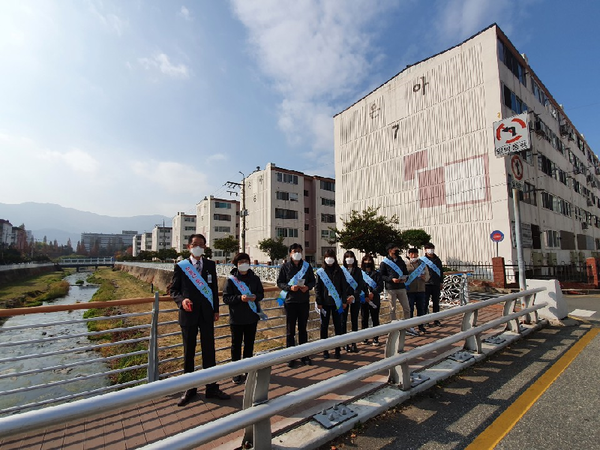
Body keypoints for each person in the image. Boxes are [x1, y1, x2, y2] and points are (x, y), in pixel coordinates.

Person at [169, 234, 230, 406]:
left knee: (209, 351)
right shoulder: (181, 266)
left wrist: (216, 310)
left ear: (205, 248)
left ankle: (212, 387)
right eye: (195, 244)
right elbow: (174, 290)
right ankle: (190, 388)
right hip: (188, 314)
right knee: (189, 352)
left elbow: (213, 289)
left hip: (207, 314)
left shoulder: (210, 265)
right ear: (189, 247)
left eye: (201, 245)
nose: (198, 248)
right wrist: (182, 301)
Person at [223, 252, 265, 385]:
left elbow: (261, 294)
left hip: (252, 317)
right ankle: (235, 372)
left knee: (249, 344)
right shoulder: (231, 280)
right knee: (236, 345)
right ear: (236, 264)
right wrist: (240, 298)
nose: (244, 264)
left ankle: (248, 370)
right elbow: (226, 298)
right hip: (236, 317)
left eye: (246, 261)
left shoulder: (255, 278)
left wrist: (255, 297)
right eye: (241, 262)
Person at [276, 243, 316, 368]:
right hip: (290, 301)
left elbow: (313, 281)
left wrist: (308, 287)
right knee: (290, 330)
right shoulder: (285, 267)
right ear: (290, 253)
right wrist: (289, 287)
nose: (297, 253)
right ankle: (290, 356)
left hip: (303, 301)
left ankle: (305, 355)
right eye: (294, 251)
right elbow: (279, 282)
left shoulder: (307, 266)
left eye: (299, 251)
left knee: (303, 329)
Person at [315, 249, 352, 359]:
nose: (329, 259)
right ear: (324, 258)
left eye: (331, 256)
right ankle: (325, 350)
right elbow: (317, 288)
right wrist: (319, 301)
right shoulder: (320, 272)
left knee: (338, 326)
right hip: (325, 303)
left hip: (337, 303)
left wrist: (344, 301)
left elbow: (343, 287)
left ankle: (337, 349)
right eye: (327, 256)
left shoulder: (339, 271)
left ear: (334, 258)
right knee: (324, 326)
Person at [340, 250, 365, 353]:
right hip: (344, 299)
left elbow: (360, 285)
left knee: (354, 320)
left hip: (355, 298)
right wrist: (345, 297)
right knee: (343, 321)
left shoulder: (358, 270)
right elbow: (340, 285)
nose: (349, 258)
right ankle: (344, 343)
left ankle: (354, 343)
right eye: (347, 256)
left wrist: (353, 296)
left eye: (351, 256)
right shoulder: (341, 270)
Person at [380, 243, 410, 324]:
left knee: (406, 308)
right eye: (395, 248)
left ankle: (408, 325)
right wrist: (391, 279)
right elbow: (382, 275)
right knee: (392, 309)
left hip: (401, 287)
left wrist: (405, 278)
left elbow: (406, 272)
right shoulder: (384, 262)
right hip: (391, 288)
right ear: (390, 250)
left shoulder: (401, 261)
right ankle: (393, 326)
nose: (397, 250)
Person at [405, 248, 430, 335]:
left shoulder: (422, 264)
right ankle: (410, 326)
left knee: (421, 309)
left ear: (417, 255)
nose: (413, 255)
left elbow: (427, 276)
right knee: (410, 308)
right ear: (409, 255)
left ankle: (421, 326)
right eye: (411, 254)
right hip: (410, 290)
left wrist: (425, 278)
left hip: (421, 289)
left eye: (415, 254)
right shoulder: (406, 265)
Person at [360, 254, 384, 345]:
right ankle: (365, 337)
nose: (367, 263)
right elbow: (358, 286)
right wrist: (364, 295)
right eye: (365, 261)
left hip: (374, 299)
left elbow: (380, 286)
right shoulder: (360, 274)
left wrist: (373, 293)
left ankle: (376, 338)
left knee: (375, 319)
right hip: (364, 299)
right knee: (364, 319)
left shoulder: (377, 274)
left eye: (369, 261)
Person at [423, 243, 444, 327]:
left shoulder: (437, 259)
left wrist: (441, 282)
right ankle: (425, 320)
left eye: (431, 248)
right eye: (428, 248)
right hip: (426, 284)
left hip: (436, 284)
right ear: (425, 249)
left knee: (436, 303)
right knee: (425, 303)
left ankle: (436, 320)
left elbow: (441, 271)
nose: (430, 250)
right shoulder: (423, 260)